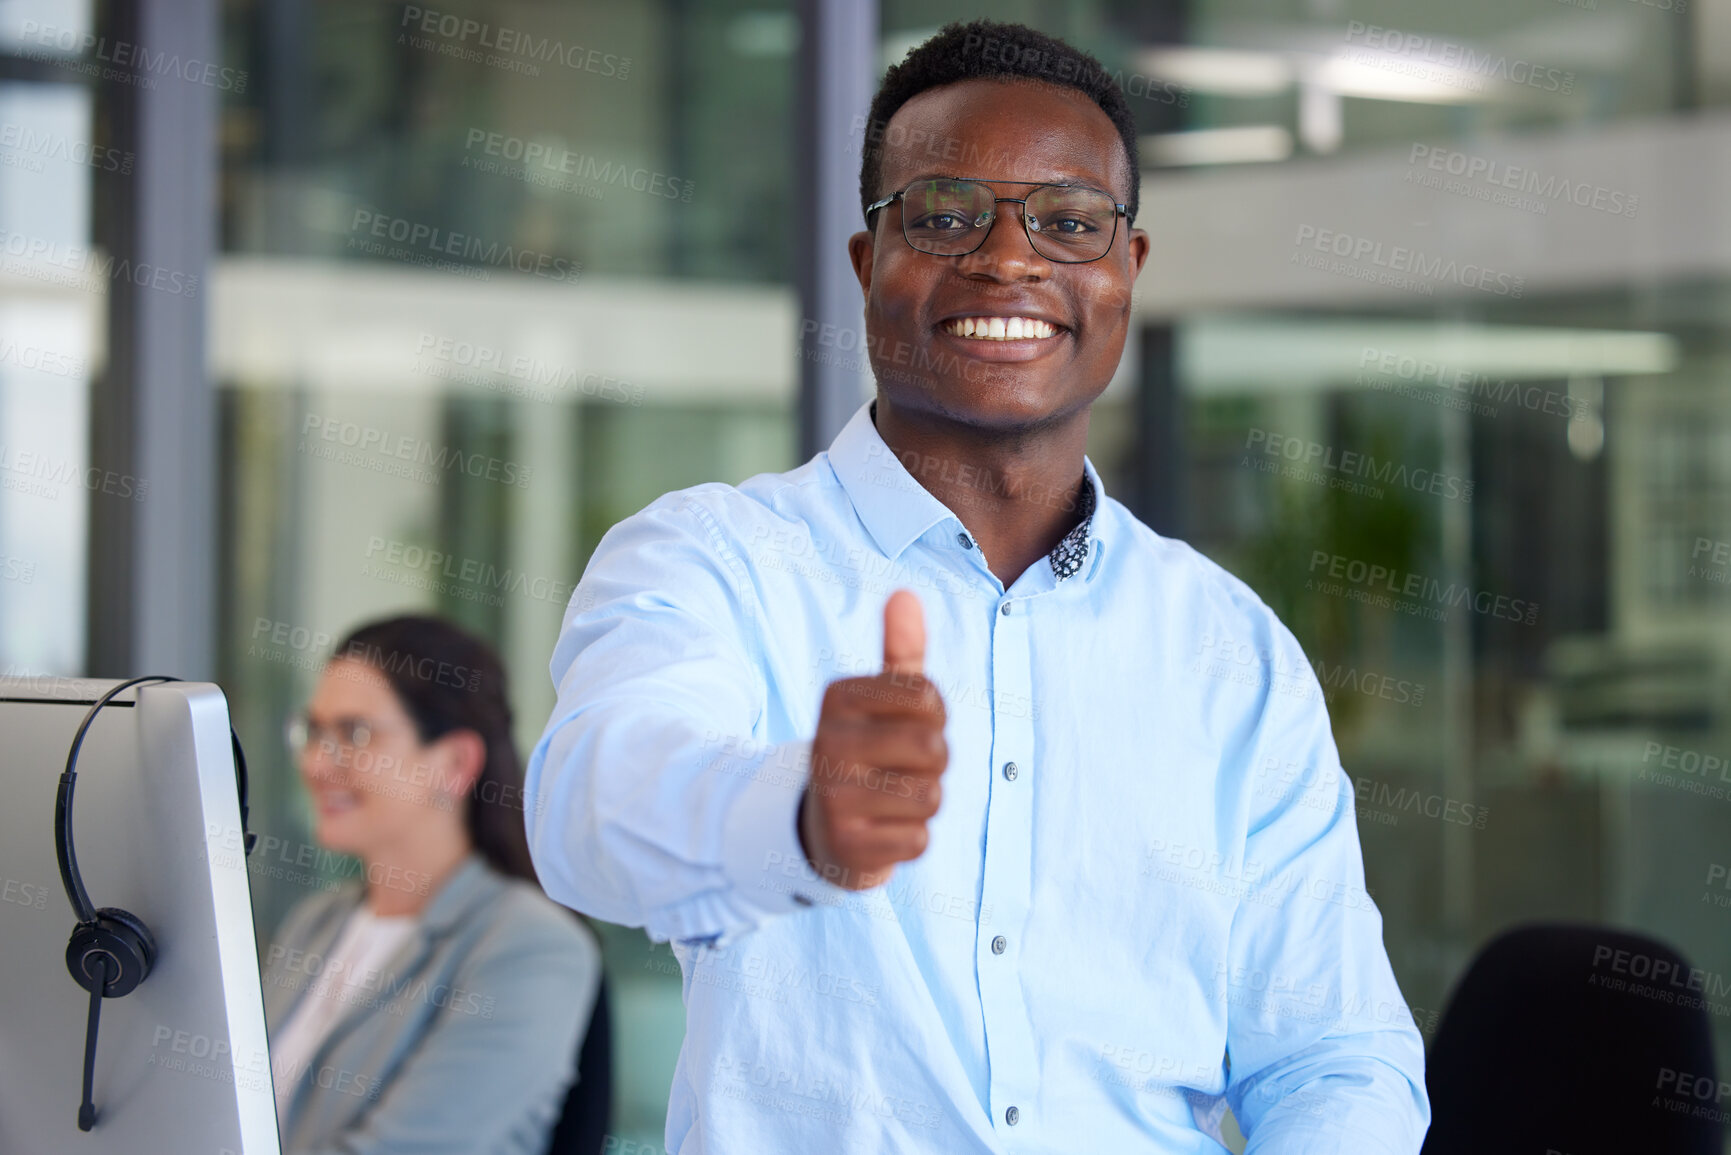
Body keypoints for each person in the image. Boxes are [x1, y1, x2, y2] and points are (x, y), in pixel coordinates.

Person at [527, 19, 1428, 1153]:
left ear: (1125, 273)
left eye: (1067, 221)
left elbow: (1334, 1056)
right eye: (947, 216)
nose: (1009, 260)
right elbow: (586, 808)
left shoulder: (1230, 650)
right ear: (867, 266)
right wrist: (799, 813)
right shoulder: (716, 560)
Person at [264, 614, 601, 1155]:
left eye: (354, 734)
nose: (315, 763)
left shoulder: (531, 946)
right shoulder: (316, 922)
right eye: (314, 731)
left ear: (453, 762)